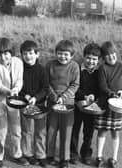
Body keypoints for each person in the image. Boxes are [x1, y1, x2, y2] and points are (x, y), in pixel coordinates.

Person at [0, 37, 29, 167]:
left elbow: (20, 80)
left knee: (16, 129)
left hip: (15, 100)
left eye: (6, 53)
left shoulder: (18, 62)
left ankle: (17, 154)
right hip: (0, 101)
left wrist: (16, 89)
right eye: (0, 54)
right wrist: (8, 91)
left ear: (11, 52)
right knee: (0, 131)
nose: (3, 57)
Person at [46, 40, 80, 168]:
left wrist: (64, 97)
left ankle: (64, 158)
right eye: (60, 53)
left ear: (71, 55)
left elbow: (75, 85)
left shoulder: (74, 66)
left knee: (67, 130)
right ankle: (49, 154)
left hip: (68, 104)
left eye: (66, 54)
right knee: (51, 129)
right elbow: (46, 83)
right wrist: (54, 96)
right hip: (52, 102)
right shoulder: (50, 65)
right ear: (56, 53)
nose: (62, 57)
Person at [70, 43, 101, 165]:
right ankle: (73, 153)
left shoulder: (99, 72)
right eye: (88, 58)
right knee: (74, 130)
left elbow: (101, 88)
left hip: (92, 107)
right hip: (77, 104)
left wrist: (95, 96)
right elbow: (74, 86)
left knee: (88, 132)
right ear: (83, 57)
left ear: (98, 60)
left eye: (94, 59)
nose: (91, 61)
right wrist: (84, 96)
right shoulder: (77, 69)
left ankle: (86, 154)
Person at [19, 40, 49, 168]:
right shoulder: (19, 69)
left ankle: (40, 154)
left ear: (37, 54)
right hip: (24, 104)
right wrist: (24, 96)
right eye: (25, 53)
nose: (28, 56)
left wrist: (36, 98)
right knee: (26, 130)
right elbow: (17, 87)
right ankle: (28, 153)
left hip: (40, 105)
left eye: (31, 53)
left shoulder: (42, 70)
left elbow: (45, 88)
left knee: (40, 131)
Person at [95, 41, 122, 168]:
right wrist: (111, 93)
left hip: (118, 106)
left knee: (116, 132)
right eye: (107, 55)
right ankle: (99, 157)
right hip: (105, 104)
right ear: (103, 57)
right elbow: (102, 86)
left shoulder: (121, 67)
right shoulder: (102, 68)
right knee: (102, 131)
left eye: (113, 54)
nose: (111, 57)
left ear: (116, 53)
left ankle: (114, 158)